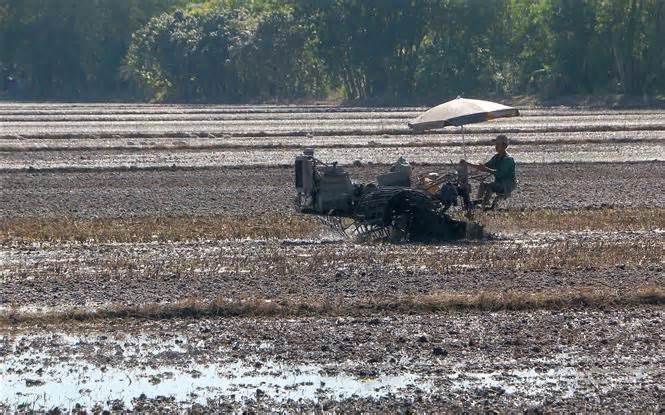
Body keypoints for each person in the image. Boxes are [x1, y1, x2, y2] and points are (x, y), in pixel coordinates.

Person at [461, 134, 516, 206]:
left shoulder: (508, 159)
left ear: (504, 146)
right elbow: (484, 166)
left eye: (498, 144)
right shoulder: (496, 157)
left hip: (507, 184)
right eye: (496, 144)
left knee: (490, 186)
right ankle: (479, 203)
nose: (496, 146)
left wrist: (486, 169)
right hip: (499, 182)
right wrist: (467, 164)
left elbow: (500, 173)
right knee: (483, 185)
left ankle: (484, 204)